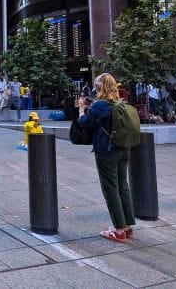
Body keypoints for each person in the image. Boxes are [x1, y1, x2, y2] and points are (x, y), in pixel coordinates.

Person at [77, 73, 136, 243]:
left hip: (106, 150)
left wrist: (81, 110)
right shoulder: (120, 103)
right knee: (122, 186)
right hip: (123, 148)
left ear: (99, 87)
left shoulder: (99, 105)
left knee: (110, 189)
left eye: (95, 86)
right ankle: (128, 227)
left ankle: (118, 230)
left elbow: (85, 125)